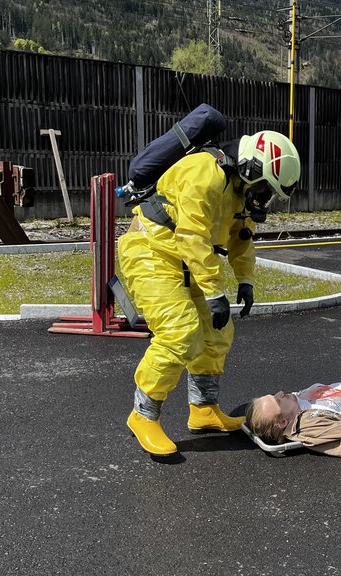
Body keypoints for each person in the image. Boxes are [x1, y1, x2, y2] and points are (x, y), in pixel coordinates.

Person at [119, 129, 301, 456]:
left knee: (217, 332)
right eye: (263, 188)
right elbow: (191, 235)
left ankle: (203, 409)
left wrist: (245, 280)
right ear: (251, 169)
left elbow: (241, 236)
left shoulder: (237, 189)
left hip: (185, 260)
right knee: (180, 332)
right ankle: (143, 414)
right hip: (150, 252)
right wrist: (215, 293)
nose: (262, 197)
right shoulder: (204, 173)